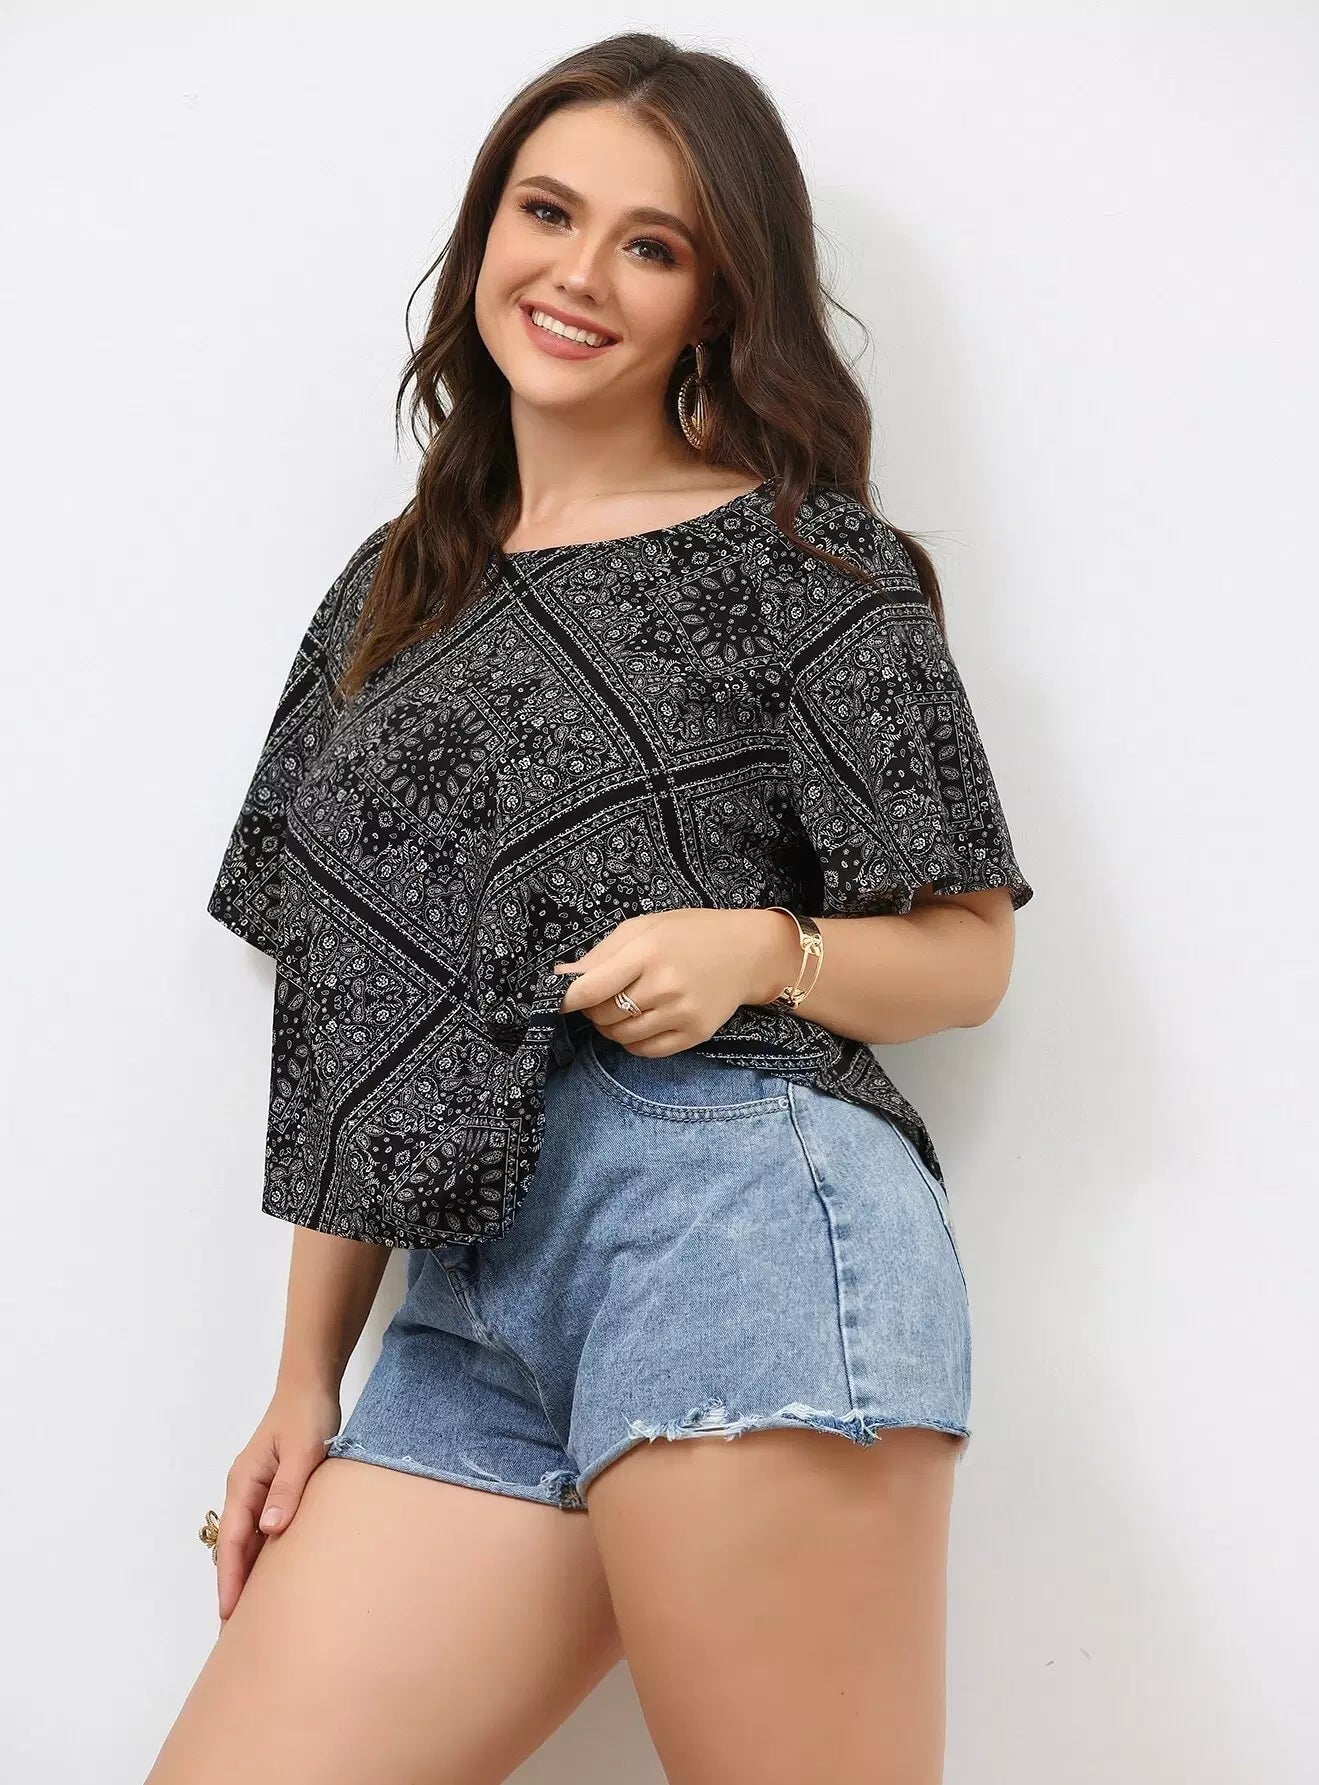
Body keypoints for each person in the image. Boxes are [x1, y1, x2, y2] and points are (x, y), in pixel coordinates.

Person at [149, 31, 1033, 1785]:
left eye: (653, 244)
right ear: (488, 227)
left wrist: (759, 949)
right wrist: (305, 1375)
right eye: (548, 212)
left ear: (717, 299)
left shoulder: (802, 558)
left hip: (737, 1221)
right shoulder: (389, 592)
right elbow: (356, 1002)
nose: (578, 274)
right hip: (465, 1299)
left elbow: (973, 950)